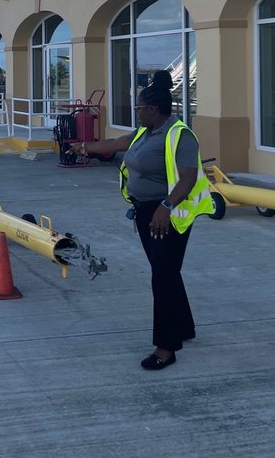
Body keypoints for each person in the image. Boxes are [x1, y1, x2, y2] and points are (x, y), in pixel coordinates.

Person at [70, 72, 214, 371]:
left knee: (162, 277)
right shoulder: (144, 133)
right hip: (146, 212)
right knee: (167, 272)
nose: (136, 111)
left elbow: (188, 177)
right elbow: (115, 143)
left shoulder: (179, 134)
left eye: (138, 107)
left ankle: (166, 348)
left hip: (167, 216)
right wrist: (84, 147)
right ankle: (183, 327)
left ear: (152, 108)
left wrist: (165, 206)